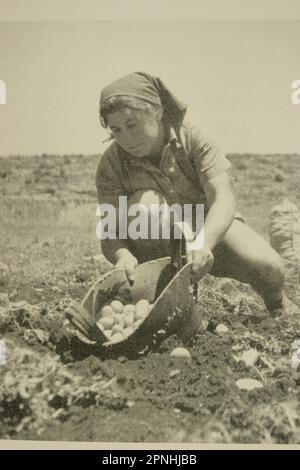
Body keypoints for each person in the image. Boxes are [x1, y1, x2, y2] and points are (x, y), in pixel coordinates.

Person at [96, 71, 285, 315]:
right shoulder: (111, 164)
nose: (126, 138)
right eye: (116, 129)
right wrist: (122, 256)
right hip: (153, 240)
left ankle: (277, 309)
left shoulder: (193, 135)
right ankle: (157, 293)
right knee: (147, 208)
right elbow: (110, 231)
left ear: (158, 111)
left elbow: (223, 198)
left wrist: (204, 243)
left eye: (132, 124)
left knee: (270, 267)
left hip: (208, 226)